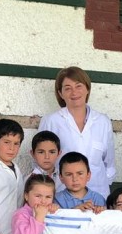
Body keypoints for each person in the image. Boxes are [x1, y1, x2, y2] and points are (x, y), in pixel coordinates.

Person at [39, 66, 116, 199]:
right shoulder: (51, 121)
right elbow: (41, 160)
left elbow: (109, 163)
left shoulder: (103, 122)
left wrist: (101, 185)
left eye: (78, 86)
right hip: (63, 198)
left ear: (87, 89)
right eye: (67, 88)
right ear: (61, 93)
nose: (74, 92)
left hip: (98, 197)